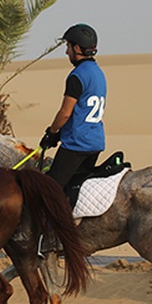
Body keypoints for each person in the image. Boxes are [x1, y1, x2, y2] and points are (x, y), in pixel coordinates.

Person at [39, 23, 107, 189]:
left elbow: (65, 113)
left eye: (68, 46)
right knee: (74, 187)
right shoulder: (98, 73)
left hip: (77, 144)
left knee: (50, 189)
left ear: (77, 48)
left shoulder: (77, 76)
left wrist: (52, 132)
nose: (67, 51)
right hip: (95, 142)